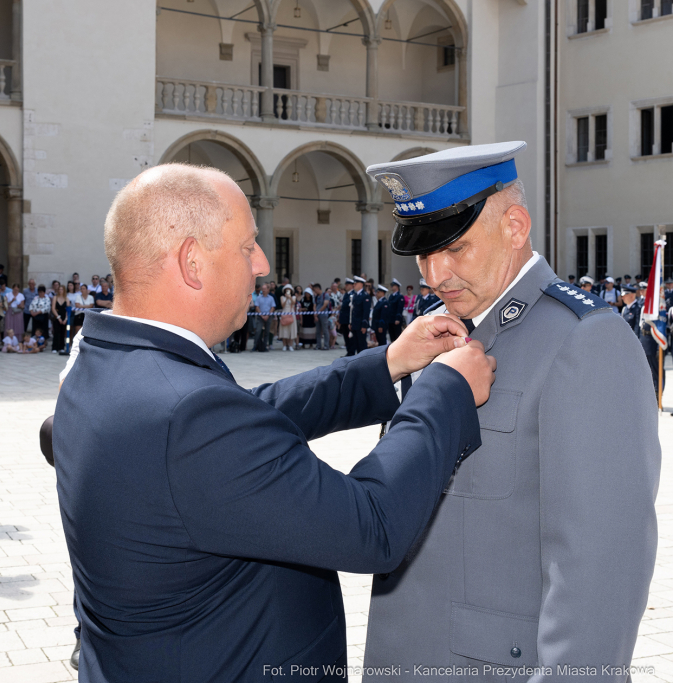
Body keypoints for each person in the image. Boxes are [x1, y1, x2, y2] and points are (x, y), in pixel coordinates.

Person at [55, 163, 494, 683]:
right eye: (247, 247)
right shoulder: (188, 415)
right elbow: (373, 526)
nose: (262, 264)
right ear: (192, 262)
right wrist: (446, 390)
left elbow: (253, 413)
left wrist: (387, 363)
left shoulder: (107, 362)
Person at [362, 142, 659, 678]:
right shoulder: (440, 331)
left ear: (515, 227)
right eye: (423, 255)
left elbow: (600, 567)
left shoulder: (584, 340)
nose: (435, 274)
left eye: (455, 248)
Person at [348, 275, 371, 355]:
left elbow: (366, 311)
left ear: (361, 284)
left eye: (356, 283)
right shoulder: (355, 295)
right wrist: (351, 323)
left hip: (361, 324)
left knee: (362, 345)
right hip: (355, 323)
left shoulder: (365, 295)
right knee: (356, 344)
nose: (354, 285)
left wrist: (364, 325)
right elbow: (353, 310)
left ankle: (364, 360)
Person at [252, 283, 275, 351]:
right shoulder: (259, 298)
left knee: (267, 332)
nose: (263, 290)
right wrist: (262, 315)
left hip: (268, 316)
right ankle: (255, 346)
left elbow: (273, 307)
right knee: (258, 331)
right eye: (263, 289)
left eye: (264, 289)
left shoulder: (271, 298)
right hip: (260, 316)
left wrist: (267, 315)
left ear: (268, 289)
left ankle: (264, 346)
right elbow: (257, 307)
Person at [276, 284, 297, 350]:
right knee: (284, 329)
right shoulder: (282, 297)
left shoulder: (293, 297)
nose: (288, 290)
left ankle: (290, 345)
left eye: (289, 289)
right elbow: (282, 305)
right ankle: (284, 345)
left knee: (291, 329)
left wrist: (290, 297)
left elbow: (293, 303)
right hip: (284, 312)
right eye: (286, 289)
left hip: (291, 313)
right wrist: (286, 298)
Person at [51, 282, 70, 353]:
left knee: (62, 332)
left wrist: (66, 319)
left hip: (64, 316)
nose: (60, 291)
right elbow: (53, 308)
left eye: (62, 289)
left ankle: (61, 347)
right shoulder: (55, 297)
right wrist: (58, 317)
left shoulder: (67, 299)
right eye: (59, 289)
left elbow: (68, 310)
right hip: (57, 316)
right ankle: (54, 347)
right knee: (56, 332)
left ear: (64, 290)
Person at [313, 283, 332, 350]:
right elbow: (314, 305)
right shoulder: (315, 297)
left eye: (315, 289)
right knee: (318, 331)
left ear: (318, 289)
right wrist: (315, 314)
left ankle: (326, 345)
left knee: (325, 330)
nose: (314, 291)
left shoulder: (325, 295)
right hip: (317, 315)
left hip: (323, 315)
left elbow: (325, 305)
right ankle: (318, 345)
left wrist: (318, 312)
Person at [338, 277, 353, 351]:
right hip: (344, 319)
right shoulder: (346, 294)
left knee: (350, 337)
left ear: (351, 286)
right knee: (345, 336)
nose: (345, 286)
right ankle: (348, 351)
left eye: (347, 285)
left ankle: (351, 352)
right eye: (346, 285)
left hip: (348, 319)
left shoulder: (352, 294)